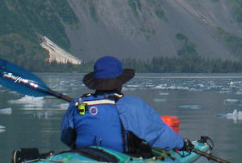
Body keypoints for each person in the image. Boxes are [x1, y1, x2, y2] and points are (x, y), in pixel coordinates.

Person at [61, 56, 191, 154]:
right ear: (119, 82)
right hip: (121, 160)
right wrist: (182, 144)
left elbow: (67, 138)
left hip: (82, 157)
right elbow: (159, 135)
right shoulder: (131, 105)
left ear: (95, 83)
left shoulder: (77, 104)